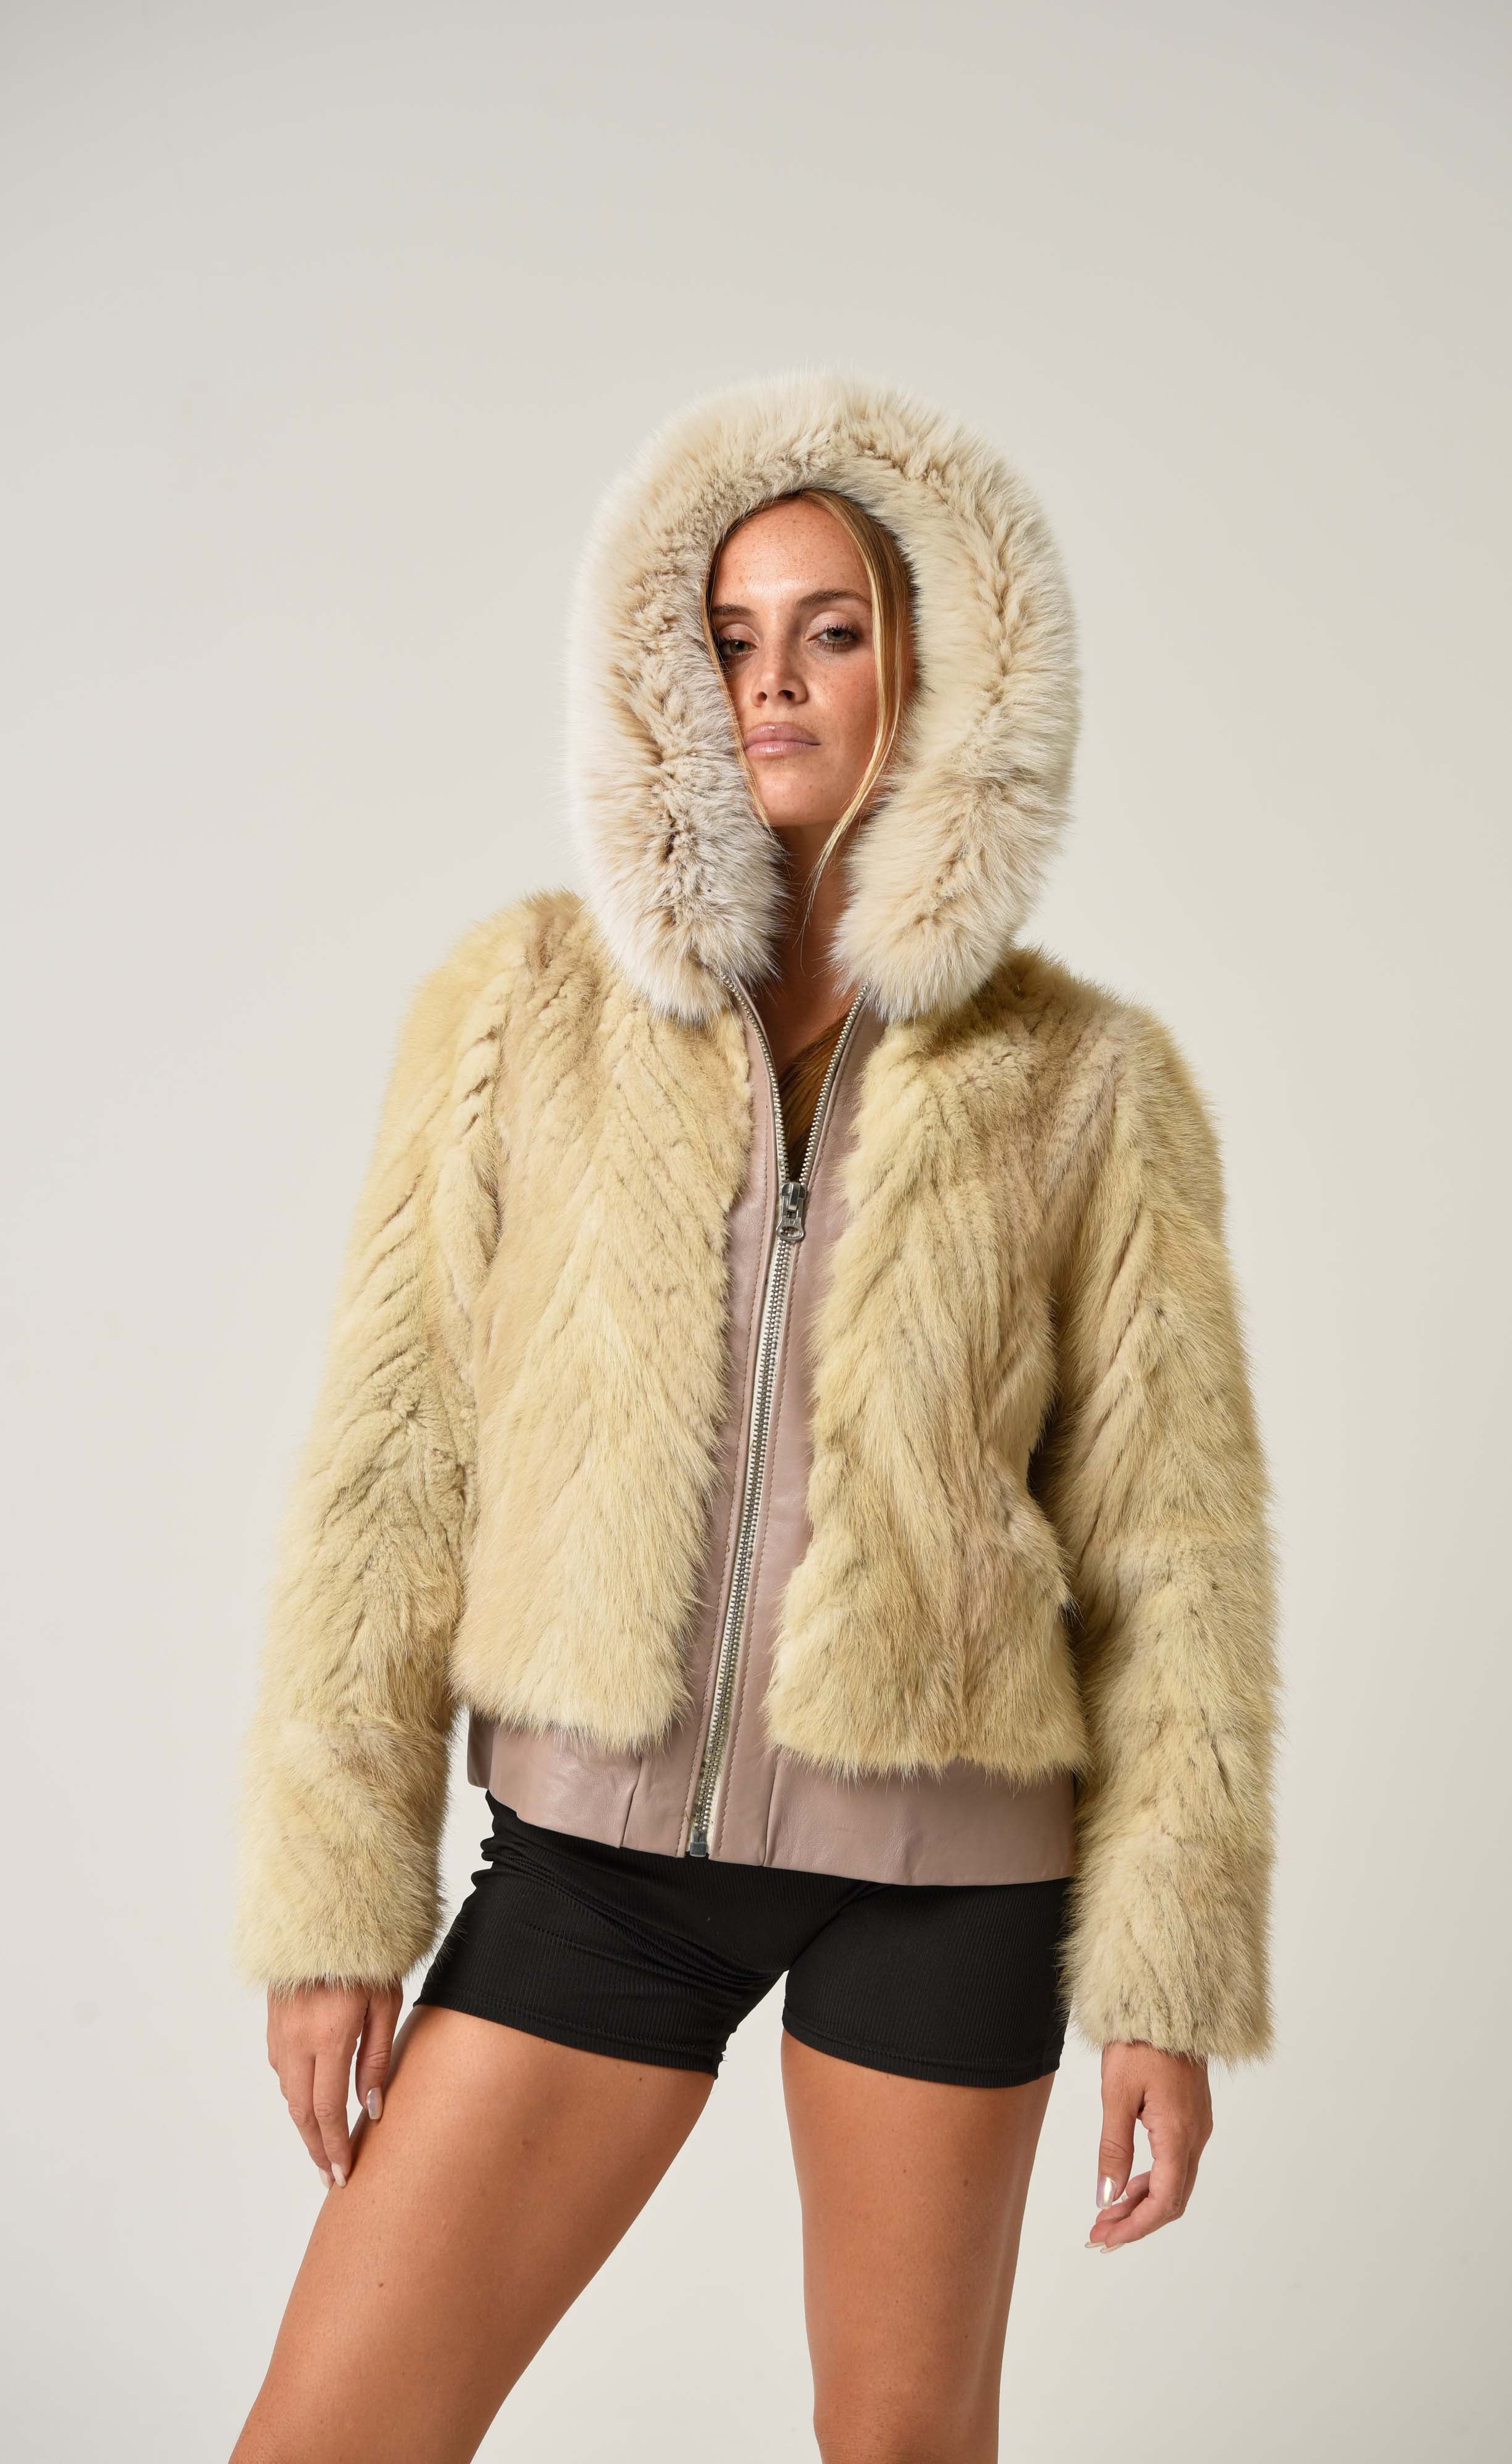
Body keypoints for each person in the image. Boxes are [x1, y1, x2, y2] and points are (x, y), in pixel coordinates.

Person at [230, 371, 1280, 2463]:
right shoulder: (523, 1006)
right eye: (728, 635)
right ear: (664, 679)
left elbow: (1177, 1552)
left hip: (954, 1861)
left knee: (903, 2447)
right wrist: (341, 1903)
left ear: (935, 668)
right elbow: (388, 1466)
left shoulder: (1086, 1077)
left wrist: (1165, 1972)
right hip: (603, 1859)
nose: (775, 679)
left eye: (832, 629)